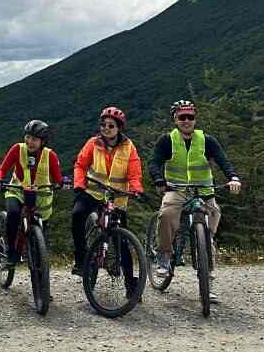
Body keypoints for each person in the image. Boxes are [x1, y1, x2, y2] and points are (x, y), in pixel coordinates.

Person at [149, 99, 243, 302]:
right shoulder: (167, 140)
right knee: (166, 214)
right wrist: (159, 179)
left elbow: (222, 160)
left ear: (195, 119)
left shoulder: (207, 140)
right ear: (175, 119)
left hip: (204, 190)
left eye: (190, 117)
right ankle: (164, 256)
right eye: (182, 117)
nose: (186, 121)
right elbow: (154, 161)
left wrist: (233, 178)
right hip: (177, 189)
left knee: (211, 226)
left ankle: (207, 281)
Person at [70, 105, 143, 278]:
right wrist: (79, 183)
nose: (106, 129)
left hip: (117, 197)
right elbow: (80, 165)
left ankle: (131, 285)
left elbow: (134, 173)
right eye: (103, 125)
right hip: (92, 193)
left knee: (122, 241)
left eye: (111, 126)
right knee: (77, 215)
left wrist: (136, 189)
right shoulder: (92, 143)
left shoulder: (128, 147)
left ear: (119, 128)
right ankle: (80, 259)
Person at [0, 119, 63, 269]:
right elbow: (2, 168)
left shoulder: (50, 155)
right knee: (13, 213)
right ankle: (11, 251)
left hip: (40, 195)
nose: (30, 141)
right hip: (17, 190)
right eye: (28, 137)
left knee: (40, 233)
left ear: (43, 141)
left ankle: (41, 277)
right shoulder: (17, 149)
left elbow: (58, 178)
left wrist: (60, 184)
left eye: (34, 139)